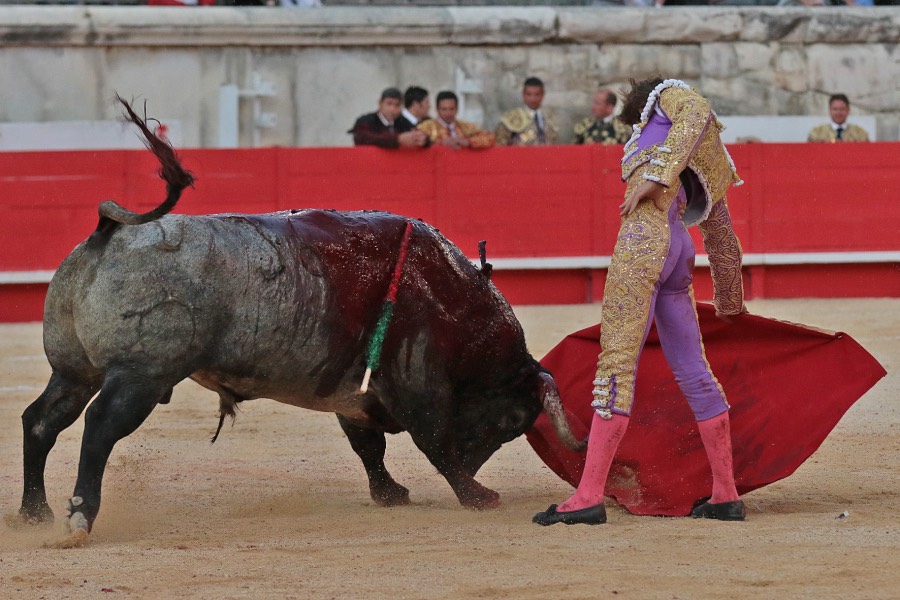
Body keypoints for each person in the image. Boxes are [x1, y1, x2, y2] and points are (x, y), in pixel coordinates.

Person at [533, 77, 747, 526]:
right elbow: (721, 232)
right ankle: (725, 494)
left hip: (644, 241)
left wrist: (655, 177)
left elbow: (696, 111)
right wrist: (730, 298)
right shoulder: (711, 152)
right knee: (695, 372)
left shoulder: (669, 99)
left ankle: (588, 496)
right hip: (679, 250)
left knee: (615, 366)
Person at [349, 87, 429, 149]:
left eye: (397, 105)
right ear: (380, 103)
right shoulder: (366, 120)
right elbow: (362, 138)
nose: (392, 109)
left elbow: (418, 135)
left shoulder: (401, 121)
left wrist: (422, 139)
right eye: (389, 104)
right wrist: (397, 139)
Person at [416, 91, 496, 149]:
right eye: (444, 109)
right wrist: (441, 143)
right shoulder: (425, 127)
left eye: (451, 109)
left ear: (457, 109)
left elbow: (491, 138)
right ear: (437, 109)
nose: (448, 113)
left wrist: (469, 142)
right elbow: (416, 143)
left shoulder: (466, 126)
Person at [495, 77, 557, 146]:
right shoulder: (511, 118)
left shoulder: (550, 118)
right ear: (523, 95)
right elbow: (499, 145)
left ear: (542, 95)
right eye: (528, 94)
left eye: (537, 94)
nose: (533, 99)